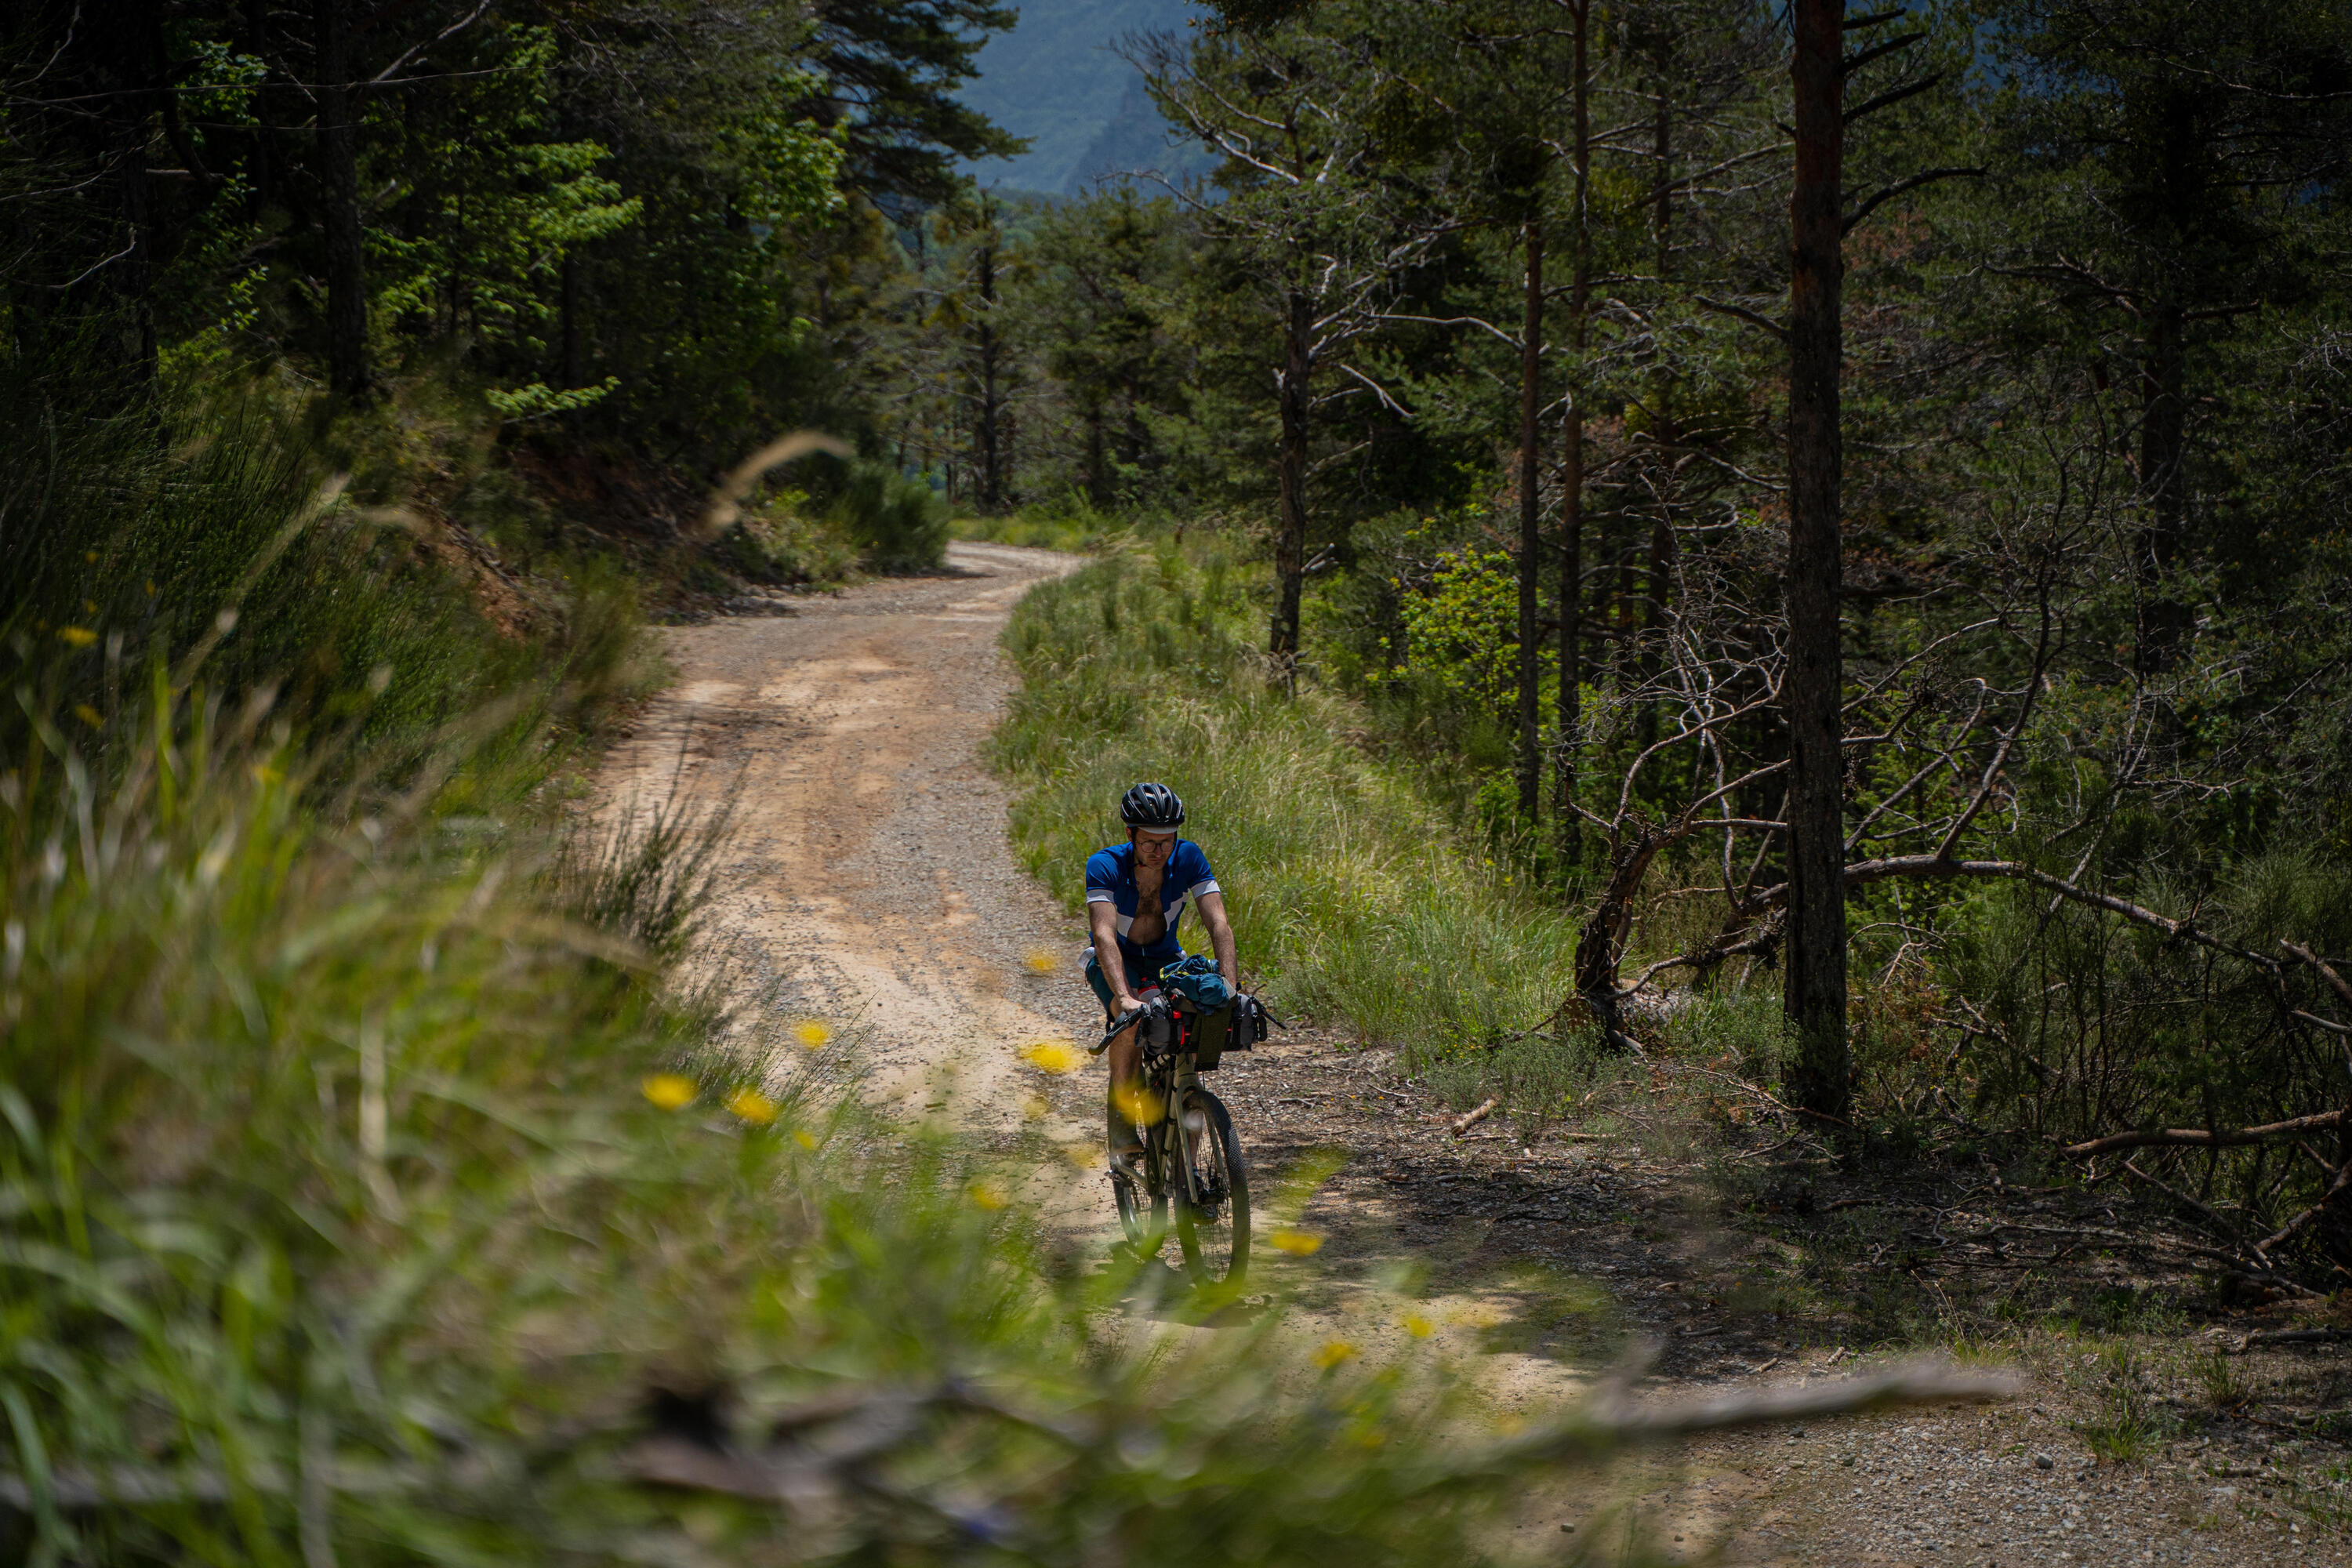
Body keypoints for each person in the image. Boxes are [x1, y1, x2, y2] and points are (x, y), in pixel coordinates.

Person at [1084, 782, 1238, 1172]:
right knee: (1128, 1021)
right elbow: (1103, 934)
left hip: (1167, 958)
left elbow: (1218, 921)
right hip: (1116, 960)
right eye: (1149, 842)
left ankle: (1187, 1171)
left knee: (1191, 1025)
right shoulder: (1105, 865)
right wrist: (1125, 996)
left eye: (1167, 841)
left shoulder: (1187, 858)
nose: (1159, 851)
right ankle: (1122, 1122)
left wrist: (1230, 987)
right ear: (1129, 835)